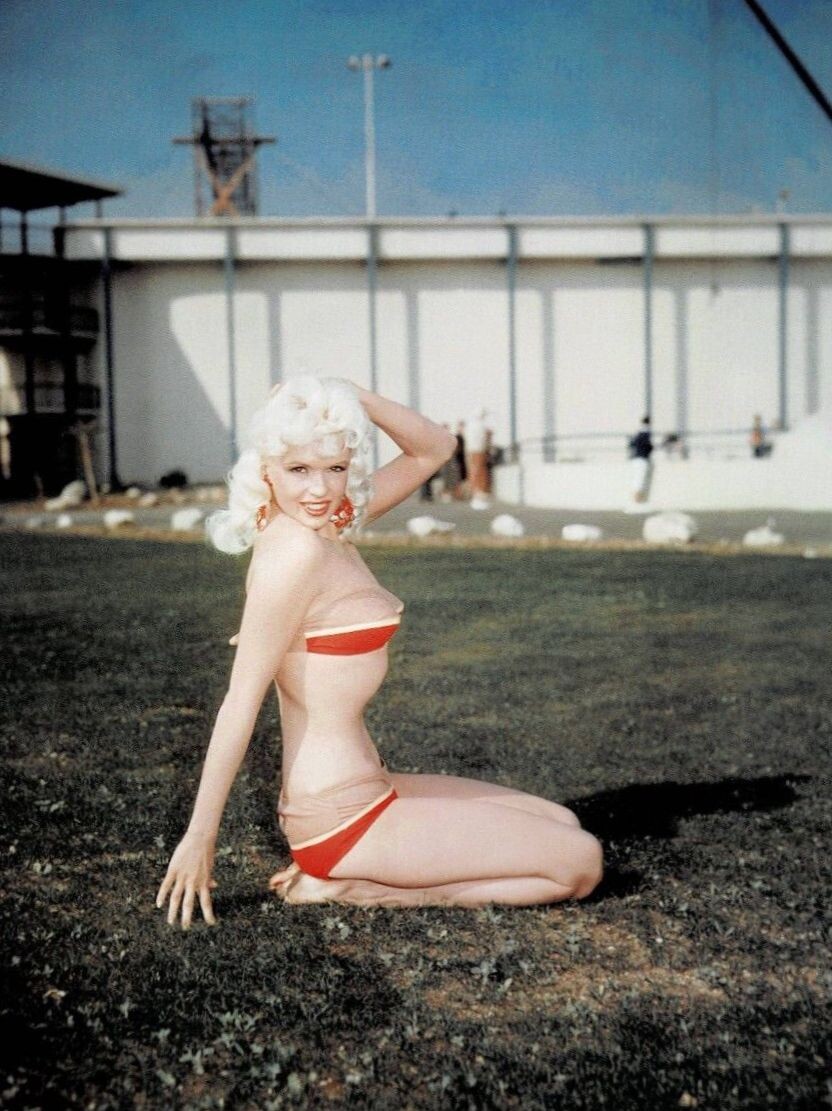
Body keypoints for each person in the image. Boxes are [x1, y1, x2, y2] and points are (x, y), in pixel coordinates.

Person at [156, 376, 603, 928]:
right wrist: (199, 837)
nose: (320, 489)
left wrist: (349, 394)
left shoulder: (329, 525)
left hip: (371, 784)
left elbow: (435, 448)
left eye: (335, 468)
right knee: (580, 863)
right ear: (266, 470)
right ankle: (364, 888)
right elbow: (239, 703)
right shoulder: (295, 555)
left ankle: (356, 874)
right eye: (298, 469)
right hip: (339, 818)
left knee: (560, 820)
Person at [627, 416, 654, 504]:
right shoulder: (645, 433)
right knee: (640, 479)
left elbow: (631, 444)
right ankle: (637, 499)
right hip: (642, 458)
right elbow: (647, 446)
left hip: (636, 458)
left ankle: (637, 499)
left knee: (637, 479)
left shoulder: (638, 433)